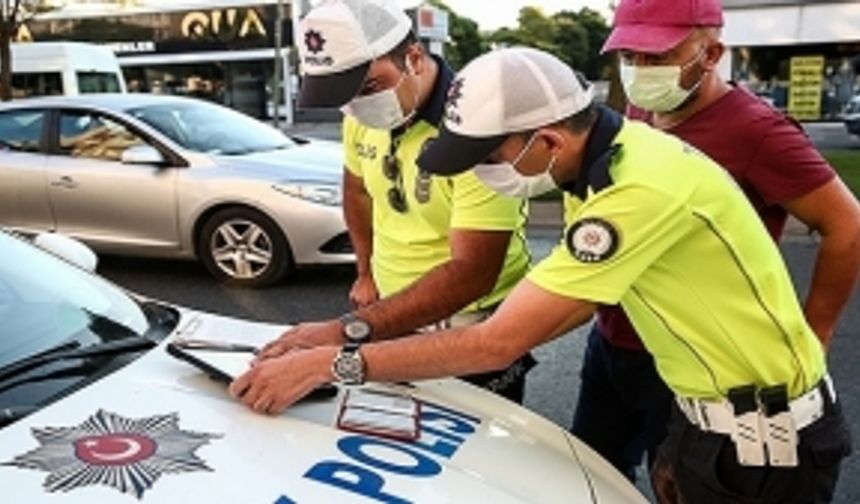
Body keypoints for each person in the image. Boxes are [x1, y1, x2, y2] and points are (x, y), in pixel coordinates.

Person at [230, 47, 854, 503]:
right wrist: (351, 332)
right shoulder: (611, 159)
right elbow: (561, 307)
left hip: (763, 449)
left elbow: (499, 340)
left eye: (488, 158)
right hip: (711, 422)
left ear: (548, 141)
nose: (481, 175)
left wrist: (330, 361)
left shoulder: (633, 192)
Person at [570, 0, 860, 488]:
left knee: (680, 485)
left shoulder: (758, 131)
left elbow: (847, 225)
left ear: (711, 53)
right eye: (630, 56)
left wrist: (817, 333)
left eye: (657, 56)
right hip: (614, 339)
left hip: (696, 365)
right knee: (588, 475)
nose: (641, 71)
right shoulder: (644, 107)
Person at [262, 0, 534, 401]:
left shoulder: (478, 126)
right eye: (342, 95)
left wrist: (347, 330)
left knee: (471, 449)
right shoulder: (359, 118)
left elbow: (473, 272)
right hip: (386, 314)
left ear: (414, 57)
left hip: (467, 322)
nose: (356, 107)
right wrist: (365, 272)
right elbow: (357, 191)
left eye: (368, 88)